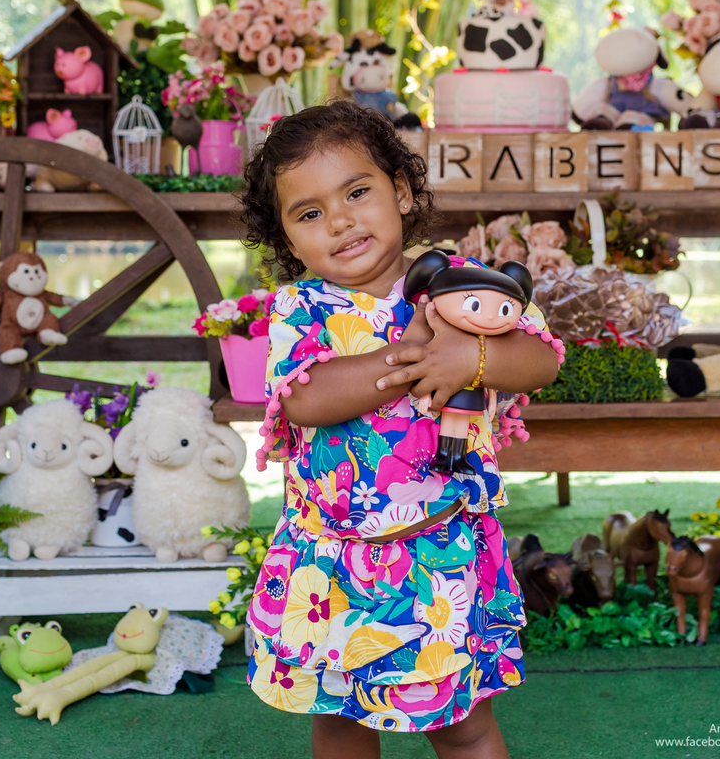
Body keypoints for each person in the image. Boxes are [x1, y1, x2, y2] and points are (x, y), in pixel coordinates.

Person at [238, 100, 565, 759]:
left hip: (437, 559)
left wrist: (470, 357)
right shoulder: (300, 310)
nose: (339, 219)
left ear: (403, 191)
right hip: (332, 565)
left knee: (464, 724)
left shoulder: (457, 287)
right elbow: (307, 399)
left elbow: (540, 358)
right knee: (339, 720)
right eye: (309, 213)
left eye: (357, 191)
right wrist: (406, 355)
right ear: (287, 239)